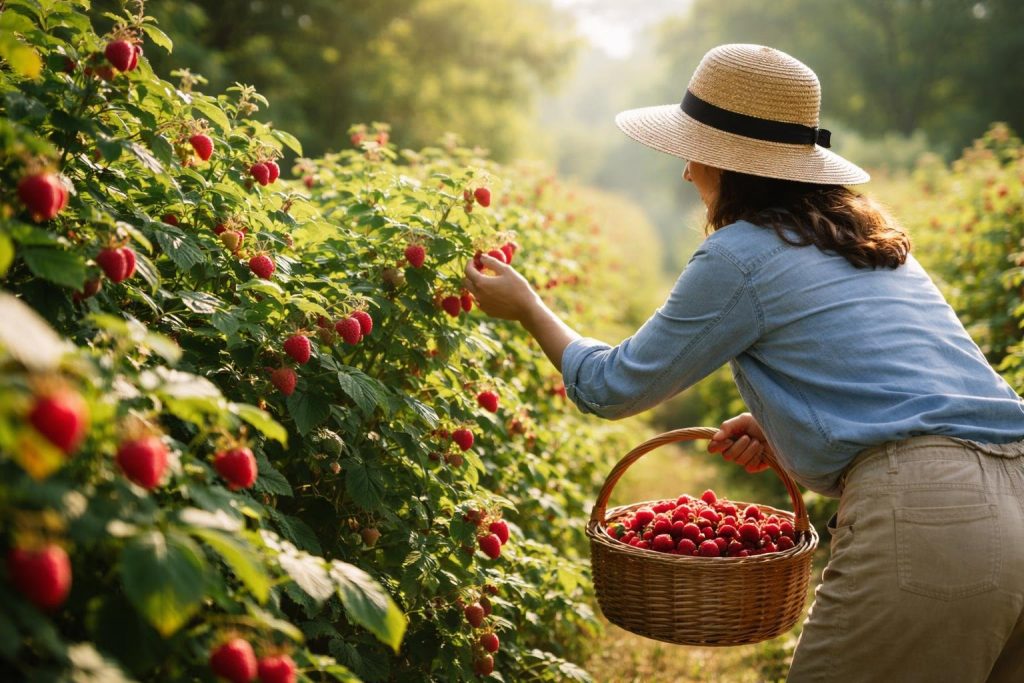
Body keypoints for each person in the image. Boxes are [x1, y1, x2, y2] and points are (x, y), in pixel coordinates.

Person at [462, 43, 1024, 682]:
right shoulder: (869, 243)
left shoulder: (740, 254)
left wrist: (528, 306)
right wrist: (785, 425)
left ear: (732, 163)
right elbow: (913, 391)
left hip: (933, 519)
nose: (686, 173)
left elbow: (611, 386)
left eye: (694, 151)